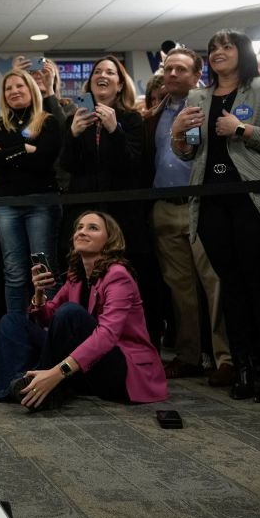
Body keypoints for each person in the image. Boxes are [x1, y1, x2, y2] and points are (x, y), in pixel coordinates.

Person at [171, 30, 260, 402]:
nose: (218, 53)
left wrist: (241, 129)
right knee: (232, 288)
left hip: (253, 198)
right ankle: (244, 367)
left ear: (241, 52)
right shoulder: (198, 96)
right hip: (211, 200)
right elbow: (190, 153)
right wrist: (178, 135)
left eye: (226, 47)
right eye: (212, 49)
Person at [0, 211, 167, 406]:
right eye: (79, 228)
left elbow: (107, 335)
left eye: (93, 228)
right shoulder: (76, 276)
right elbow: (48, 319)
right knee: (12, 321)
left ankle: (45, 386)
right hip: (86, 365)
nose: (82, 232)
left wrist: (57, 372)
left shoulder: (118, 275)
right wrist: (39, 294)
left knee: (70, 313)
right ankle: (13, 388)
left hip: (120, 366)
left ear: (110, 240)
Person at [141, 47, 234, 386]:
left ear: (198, 75)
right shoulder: (152, 114)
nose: (172, 75)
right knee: (179, 288)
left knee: (213, 283)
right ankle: (189, 355)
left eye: (181, 69)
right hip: (164, 206)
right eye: (168, 69)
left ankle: (226, 357)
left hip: (200, 204)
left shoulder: (206, 107)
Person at [60, 56, 166, 347]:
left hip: (122, 216)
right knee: (84, 278)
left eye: (110, 72)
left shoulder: (131, 119)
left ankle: (138, 344)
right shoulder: (75, 119)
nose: (102, 75)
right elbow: (66, 166)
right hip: (84, 213)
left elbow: (132, 164)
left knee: (131, 279)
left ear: (120, 85)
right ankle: (83, 344)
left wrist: (113, 130)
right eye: (97, 71)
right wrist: (73, 135)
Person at [0, 69, 64, 316]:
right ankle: (17, 333)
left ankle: (52, 330)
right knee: (14, 273)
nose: (14, 91)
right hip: (6, 205)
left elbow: (43, 162)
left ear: (32, 89)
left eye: (20, 86)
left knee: (45, 271)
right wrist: (24, 149)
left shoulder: (47, 121)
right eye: (8, 88)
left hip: (41, 203)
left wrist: (3, 154)